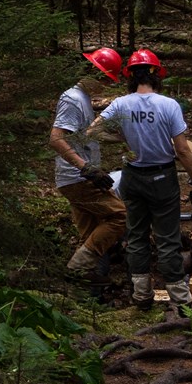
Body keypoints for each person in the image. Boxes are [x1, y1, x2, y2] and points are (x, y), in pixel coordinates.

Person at [88, 48, 192, 311]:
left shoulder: (121, 104)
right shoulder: (168, 105)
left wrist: (122, 138)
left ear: (130, 76)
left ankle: (141, 295)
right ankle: (181, 300)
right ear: (156, 74)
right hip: (162, 177)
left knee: (137, 237)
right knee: (167, 238)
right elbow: (181, 149)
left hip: (132, 177)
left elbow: (93, 130)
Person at [49, 48, 127, 275]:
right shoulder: (73, 99)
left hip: (74, 178)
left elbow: (82, 136)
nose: (104, 85)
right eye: (104, 79)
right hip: (77, 178)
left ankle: (91, 290)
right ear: (92, 72)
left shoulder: (82, 99)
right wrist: (86, 168)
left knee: (91, 231)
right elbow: (56, 138)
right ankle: (74, 269)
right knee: (119, 216)